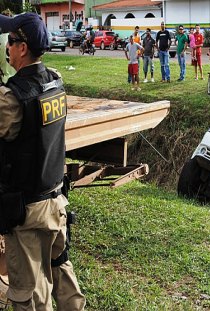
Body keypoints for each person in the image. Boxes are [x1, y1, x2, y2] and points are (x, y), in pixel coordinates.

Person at [0, 12, 85, 310]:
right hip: (56, 203)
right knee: (61, 270)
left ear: (22, 48)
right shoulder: (55, 82)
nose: (7, 48)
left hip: (27, 212)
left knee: (30, 296)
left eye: (9, 42)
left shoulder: (10, 99)